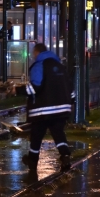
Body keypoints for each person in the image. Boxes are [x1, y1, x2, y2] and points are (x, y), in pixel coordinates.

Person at [22, 43, 72, 172]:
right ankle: (65, 156)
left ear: (37, 52)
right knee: (58, 132)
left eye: (33, 53)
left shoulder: (39, 66)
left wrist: (16, 90)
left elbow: (35, 87)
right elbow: (70, 89)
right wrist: (69, 102)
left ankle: (32, 161)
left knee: (37, 134)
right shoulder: (60, 66)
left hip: (42, 110)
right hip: (62, 108)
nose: (33, 56)